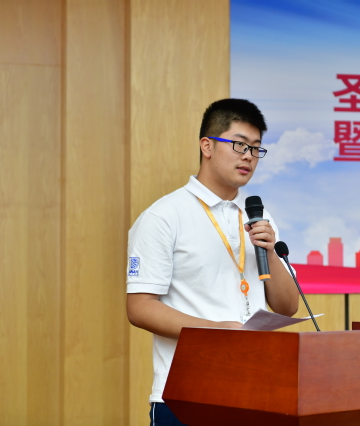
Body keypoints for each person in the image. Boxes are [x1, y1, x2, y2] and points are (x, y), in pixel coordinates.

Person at [126, 98, 299, 425]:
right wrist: (218, 331)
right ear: (207, 146)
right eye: (239, 144)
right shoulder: (164, 216)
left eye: (256, 148)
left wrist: (269, 251)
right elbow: (139, 308)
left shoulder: (259, 216)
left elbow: (288, 307)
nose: (248, 156)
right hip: (187, 394)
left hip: (256, 390)